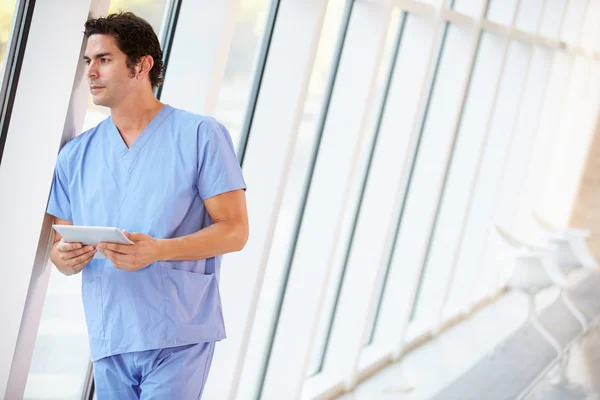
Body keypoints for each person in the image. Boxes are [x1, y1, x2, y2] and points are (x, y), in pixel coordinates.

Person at [45, 12, 248, 399]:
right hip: (110, 332)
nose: (91, 71)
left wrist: (158, 251)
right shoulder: (75, 156)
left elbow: (235, 230)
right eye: (88, 61)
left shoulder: (200, 136)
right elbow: (60, 243)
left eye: (104, 59)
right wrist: (64, 258)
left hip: (179, 331)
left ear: (141, 65)